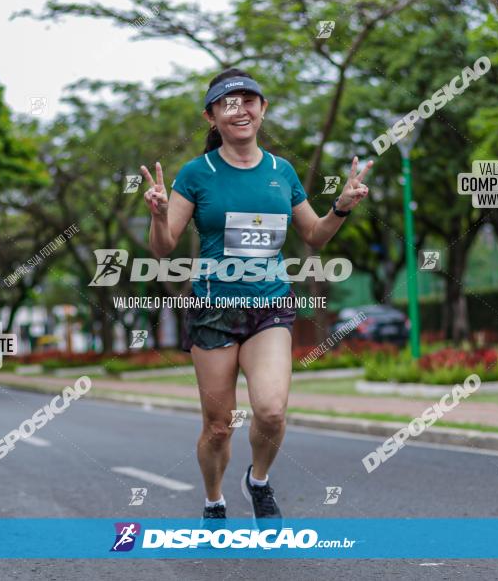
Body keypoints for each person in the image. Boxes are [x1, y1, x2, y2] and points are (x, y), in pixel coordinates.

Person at [142, 68, 372, 526]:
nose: (240, 109)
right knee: (217, 426)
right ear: (212, 116)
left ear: (262, 109)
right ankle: (213, 498)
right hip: (213, 311)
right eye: (228, 103)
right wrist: (160, 213)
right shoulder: (196, 174)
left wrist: (341, 206)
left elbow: (314, 235)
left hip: (270, 305)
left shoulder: (280, 171)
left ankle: (259, 481)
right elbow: (163, 247)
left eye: (249, 100)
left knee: (270, 411)